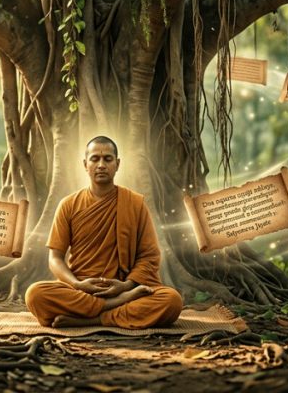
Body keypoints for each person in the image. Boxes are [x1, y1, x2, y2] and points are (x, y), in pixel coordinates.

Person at [25, 136, 182, 328]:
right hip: (81, 290)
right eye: (94, 159)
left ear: (117, 164)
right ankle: (114, 308)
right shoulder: (68, 205)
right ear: (85, 164)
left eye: (107, 159)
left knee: (171, 300)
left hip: (122, 287)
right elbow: (55, 259)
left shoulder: (134, 204)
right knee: (35, 294)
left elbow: (149, 256)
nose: (101, 165)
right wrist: (77, 285)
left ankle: (93, 319)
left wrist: (126, 286)